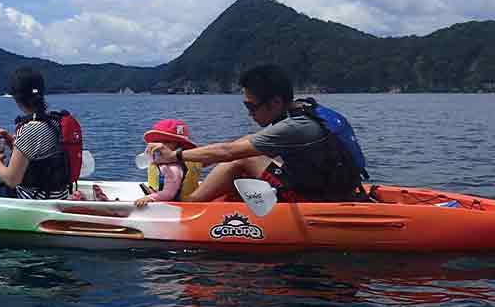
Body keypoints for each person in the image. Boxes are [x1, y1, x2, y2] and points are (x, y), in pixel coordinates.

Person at [146, 64, 365, 203]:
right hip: (330, 187)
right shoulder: (304, 113)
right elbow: (246, 144)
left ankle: (190, 204)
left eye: (252, 107)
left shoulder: (296, 127)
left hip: (316, 199)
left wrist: (175, 157)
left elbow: (229, 151)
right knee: (245, 145)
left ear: (275, 102)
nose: (249, 114)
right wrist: (195, 162)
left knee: (241, 157)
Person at [0, 67, 74, 200]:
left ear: (15, 97)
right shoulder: (55, 122)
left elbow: (12, 180)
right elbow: (39, 156)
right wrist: (10, 140)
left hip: (32, 199)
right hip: (58, 195)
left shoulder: (29, 129)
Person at [134, 118, 203, 207]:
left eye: (166, 142)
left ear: (179, 145)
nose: (158, 146)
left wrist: (150, 198)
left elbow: (169, 194)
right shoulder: (176, 162)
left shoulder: (173, 168)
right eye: (156, 141)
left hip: (177, 207)